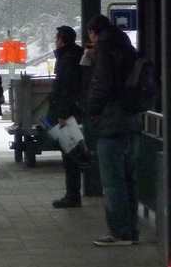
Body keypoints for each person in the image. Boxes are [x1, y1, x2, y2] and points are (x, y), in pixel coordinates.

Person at [84, 14, 143, 246]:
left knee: (113, 182)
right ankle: (131, 230)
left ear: (93, 33)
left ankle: (119, 232)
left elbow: (101, 85)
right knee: (129, 180)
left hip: (111, 124)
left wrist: (92, 111)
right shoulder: (127, 48)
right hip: (132, 123)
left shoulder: (105, 50)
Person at [47, 25, 85, 208]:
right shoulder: (76, 55)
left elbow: (66, 88)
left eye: (56, 38)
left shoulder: (68, 59)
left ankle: (72, 195)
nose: (55, 41)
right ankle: (72, 193)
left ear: (61, 39)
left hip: (68, 115)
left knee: (70, 155)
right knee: (73, 153)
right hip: (73, 111)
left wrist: (63, 114)